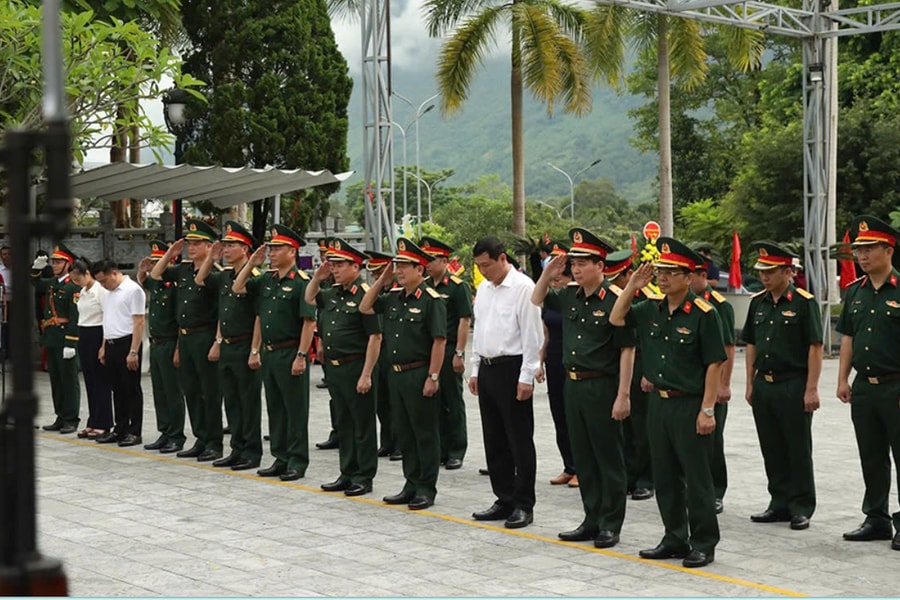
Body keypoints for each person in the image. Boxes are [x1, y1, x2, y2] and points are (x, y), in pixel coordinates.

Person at [610, 237, 726, 569]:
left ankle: (703, 542)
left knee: (697, 477)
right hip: (658, 405)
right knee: (665, 475)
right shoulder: (649, 309)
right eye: (660, 271)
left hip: (689, 405)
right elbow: (617, 319)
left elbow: (714, 363)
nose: (663, 277)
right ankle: (675, 537)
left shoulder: (705, 314)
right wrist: (633, 284)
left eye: (671, 272)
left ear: (688, 277)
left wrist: (707, 409)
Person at [532, 228, 634, 549]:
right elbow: (536, 299)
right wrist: (548, 273)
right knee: (585, 458)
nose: (575, 269)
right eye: (572, 263)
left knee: (608, 458)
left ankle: (611, 523)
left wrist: (623, 395)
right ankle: (591, 518)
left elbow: (627, 350)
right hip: (572, 386)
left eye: (582, 263)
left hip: (602, 386)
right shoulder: (569, 295)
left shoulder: (616, 300)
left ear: (600, 266)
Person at [360, 239, 446, 510]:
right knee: (404, 432)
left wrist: (433, 376)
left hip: (418, 372)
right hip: (395, 375)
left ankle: (426, 487)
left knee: (424, 432)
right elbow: (364, 307)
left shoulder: (431, 301)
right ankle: (411, 482)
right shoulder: (394, 298)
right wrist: (382, 280)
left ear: (420, 270)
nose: (398, 270)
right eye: (397, 266)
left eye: (404, 266)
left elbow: (439, 341)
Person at [743, 241, 822, 531]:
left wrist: (812, 388)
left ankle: (801, 505)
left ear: (788, 272)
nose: (765, 276)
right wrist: (750, 381)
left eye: (771, 271)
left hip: (793, 383)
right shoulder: (757, 303)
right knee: (771, 446)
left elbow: (815, 347)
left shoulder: (803, 302)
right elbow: (751, 343)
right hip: (765, 383)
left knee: (797, 446)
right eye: (762, 271)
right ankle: (779, 502)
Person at [836, 215, 900, 551]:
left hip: (896, 387)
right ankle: (876, 518)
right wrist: (843, 378)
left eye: (869, 248)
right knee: (871, 455)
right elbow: (847, 336)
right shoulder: (854, 292)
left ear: (888, 250)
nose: (861, 255)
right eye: (858, 250)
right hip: (865, 387)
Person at [469, 236, 543, 529]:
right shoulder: (483, 289)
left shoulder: (523, 288)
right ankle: (504, 497)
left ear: (503, 259)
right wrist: (475, 370)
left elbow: (532, 336)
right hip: (488, 368)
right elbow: (481, 332)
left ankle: (524, 503)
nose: (483, 271)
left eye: (486, 265)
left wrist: (527, 375)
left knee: (518, 439)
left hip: (512, 368)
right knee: (494, 438)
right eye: (478, 266)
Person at [233, 224, 316, 482]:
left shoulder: (303, 283)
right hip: (269, 353)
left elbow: (309, 322)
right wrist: (251, 263)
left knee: (295, 410)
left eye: (278, 248)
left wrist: (302, 356)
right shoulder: (266, 279)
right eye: (271, 248)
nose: (272, 253)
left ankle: (297, 461)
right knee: (276, 408)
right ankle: (280, 457)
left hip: (290, 352)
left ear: (292, 252)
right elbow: (238, 288)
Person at [307, 237, 382, 497]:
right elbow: (309, 298)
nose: (335, 269)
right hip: (336, 369)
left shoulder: (364, 296)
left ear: (356, 267)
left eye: (340, 265)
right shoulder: (332, 293)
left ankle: (364, 476)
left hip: (356, 366)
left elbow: (375, 337)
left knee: (362, 425)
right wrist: (318, 277)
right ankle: (347, 472)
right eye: (333, 264)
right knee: (344, 422)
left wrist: (366, 374)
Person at [150, 219, 222, 462]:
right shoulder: (182, 270)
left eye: (197, 243)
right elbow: (156, 274)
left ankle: (214, 442)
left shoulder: (216, 273)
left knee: (209, 392)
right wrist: (171, 252)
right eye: (189, 243)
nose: (191, 247)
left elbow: (222, 311)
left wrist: (217, 342)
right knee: (191, 391)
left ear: (209, 246)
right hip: (186, 336)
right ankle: (201, 438)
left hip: (205, 335)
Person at [195, 222, 264, 471]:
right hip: (227, 345)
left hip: (245, 344)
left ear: (245, 249)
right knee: (232, 401)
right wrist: (211, 258)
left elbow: (258, 316)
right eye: (225, 245)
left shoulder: (255, 277)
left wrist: (255, 350)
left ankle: (252, 451)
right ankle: (237, 448)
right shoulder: (224, 275)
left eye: (232, 245)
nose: (226, 249)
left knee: (248, 401)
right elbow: (201, 279)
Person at [604, 249, 659, 501]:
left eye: (618, 278)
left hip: (640, 366)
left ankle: (647, 477)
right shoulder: (616, 298)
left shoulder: (650, 299)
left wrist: (649, 371)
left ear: (630, 274)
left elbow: (652, 340)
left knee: (642, 426)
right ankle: (629, 474)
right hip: (618, 366)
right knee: (623, 425)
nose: (614, 284)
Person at [421, 235, 473, 471]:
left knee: (453, 400)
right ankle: (440, 447)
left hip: (450, 346)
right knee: (434, 401)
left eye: (432, 259)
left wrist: (459, 353)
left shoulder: (457, 286)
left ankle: (456, 449)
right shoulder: (424, 286)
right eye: (425, 259)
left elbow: (464, 320)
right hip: (430, 350)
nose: (428, 264)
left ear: (445, 260)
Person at [690, 258, 736, 514]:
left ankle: (716, 491)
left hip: (713, 385)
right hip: (690, 384)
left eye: (692, 275)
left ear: (702, 275)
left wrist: (724, 385)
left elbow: (728, 348)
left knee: (713, 443)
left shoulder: (719, 306)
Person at [137, 241, 186, 454]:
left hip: (169, 343)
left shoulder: (174, 287)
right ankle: (164, 431)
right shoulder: (157, 284)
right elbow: (144, 282)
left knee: (172, 392)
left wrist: (177, 348)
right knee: (159, 391)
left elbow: (180, 320)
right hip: (156, 343)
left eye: (159, 260)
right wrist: (141, 270)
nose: (155, 264)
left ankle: (176, 435)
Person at [92, 259, 146, 447]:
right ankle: (120, 428)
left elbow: (139, 322)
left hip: (127, 343)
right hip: (112, 342)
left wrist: (133, 351)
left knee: (131, 389)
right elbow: (108, 319)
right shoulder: (109, 293)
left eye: (104, 280)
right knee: (117, 389)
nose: (102, 285)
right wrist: (103, 346)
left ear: (114, 273)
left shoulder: (133, 290)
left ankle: (134, 430)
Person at [537, 240, 577, 487]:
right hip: (553, 359)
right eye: (552, 282)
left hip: (572, 360)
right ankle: (569, 465)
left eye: (558, 281)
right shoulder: (553, 301)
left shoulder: (573, 298)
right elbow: (547, 332)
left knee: (574, 417)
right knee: (558, 414)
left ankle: (582, 469)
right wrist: (540, 360)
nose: (555, 286)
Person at [31, 244, 81, 434]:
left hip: (64, 338)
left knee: (69, 380)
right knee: (56, 380)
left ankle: (71, 418)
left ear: (68, 264)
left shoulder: (72, 286)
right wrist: (36, 269)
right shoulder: (53, 282)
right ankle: (60, 415)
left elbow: (75, 317)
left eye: (59, 261)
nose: (55, 264)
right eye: (54, 261)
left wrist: (71, 342)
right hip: (52, 337)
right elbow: (35, 283)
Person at [69, 258, 112, 440]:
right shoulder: (83, 291)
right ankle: (93, 420)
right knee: (89, 380)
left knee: (100, 380)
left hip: (98, 333)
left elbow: (107, 317)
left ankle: (104, 422)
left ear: (87, 273)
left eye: (78, 279)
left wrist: (103, 346)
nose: (76, 283)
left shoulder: (100, 290)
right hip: (84, 333)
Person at [366, 250, 402, 461]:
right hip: (379, 352)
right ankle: (387, 441)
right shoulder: (378, 293)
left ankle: (400, 444)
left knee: (397, 402)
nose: (376, 277)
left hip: (394, 351)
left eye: (379, 272)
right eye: (374, 274)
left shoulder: (398, 292)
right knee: (382, 401)